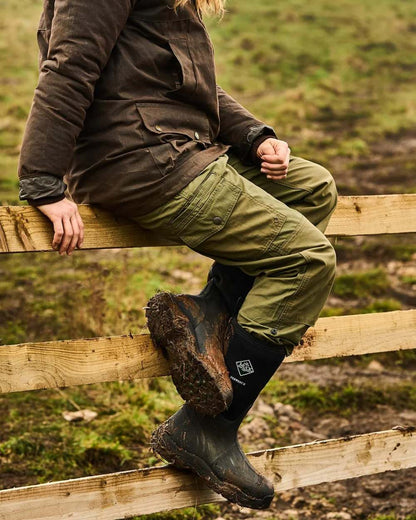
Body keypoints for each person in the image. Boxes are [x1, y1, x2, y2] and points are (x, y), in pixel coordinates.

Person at [18, 0, 337, 510]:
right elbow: (69, 65)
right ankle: (209, 427)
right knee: (305, 259)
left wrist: (255, 137)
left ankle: (211, 309)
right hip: (141, 160)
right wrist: (43, 181)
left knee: (312, 188)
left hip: (183, 147)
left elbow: (190, 87)